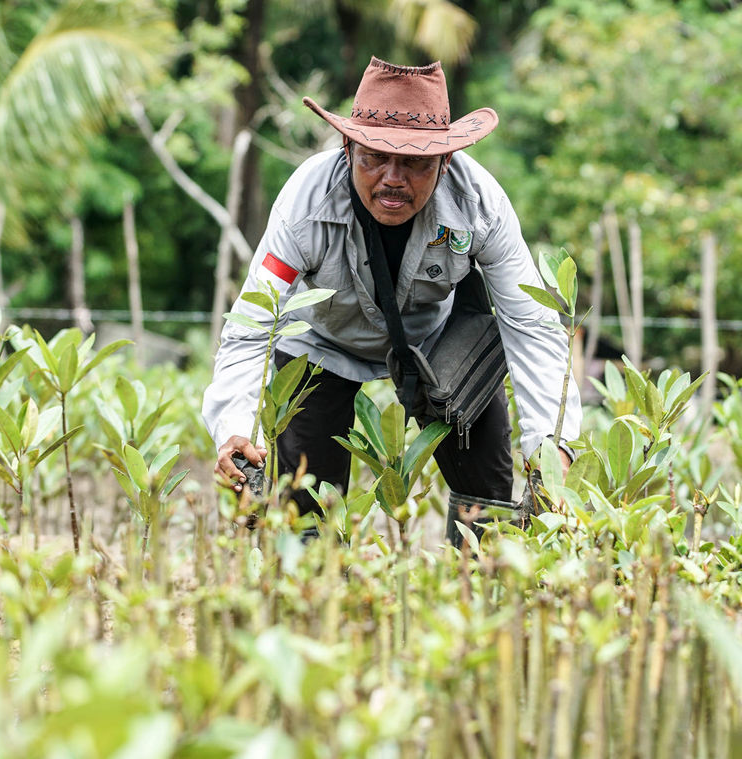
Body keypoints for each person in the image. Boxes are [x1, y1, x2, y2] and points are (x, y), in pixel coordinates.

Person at [201, 58, 581, 538]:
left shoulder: (479, 202)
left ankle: (480, 590)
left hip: (437, 341)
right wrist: (235, 428)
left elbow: (530, 322)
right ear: (347, 147)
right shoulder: (305, 201)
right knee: (304, 513)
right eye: (373, 158)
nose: (393, 178)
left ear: (445, 162)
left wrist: (553, 445)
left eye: (415, 162)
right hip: (321, 343)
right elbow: (254, 323)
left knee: (488, 499)